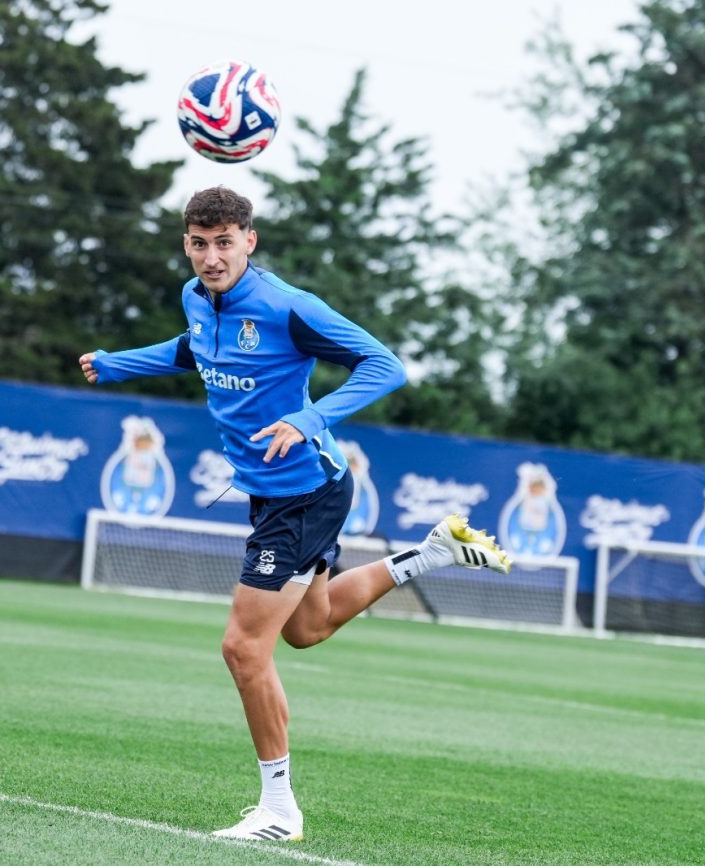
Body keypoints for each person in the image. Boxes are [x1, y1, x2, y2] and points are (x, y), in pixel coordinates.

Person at [79, 186, 512, 842]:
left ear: (249, 241)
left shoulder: (288, 306)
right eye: (199, 243)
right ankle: (433, 551)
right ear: (186, 245)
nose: (211, 257)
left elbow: (384, 365)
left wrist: (309, 419)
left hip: (304, 491)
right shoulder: (196, 296)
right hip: (276, 493)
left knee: (243, 647)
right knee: (308, 629)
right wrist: (118, 365)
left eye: (225, 242)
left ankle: (280, 811)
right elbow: (191, 349)